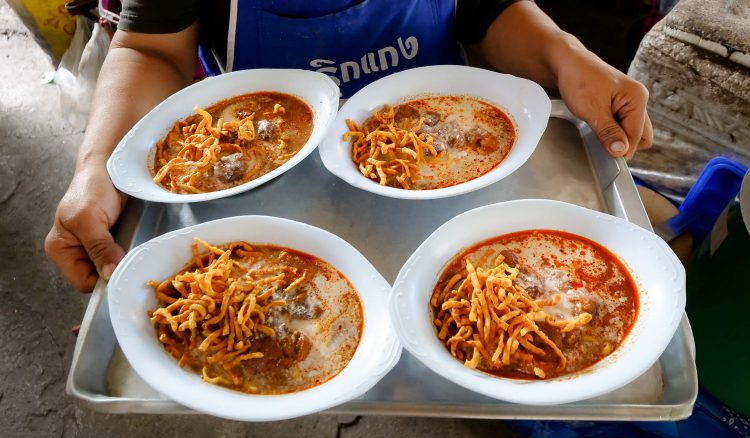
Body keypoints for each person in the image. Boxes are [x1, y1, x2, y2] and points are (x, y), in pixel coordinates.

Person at [45, 0, 653, 292]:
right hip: (279, 210)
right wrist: (98, 165)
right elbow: (152, 49)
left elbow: (489, 11)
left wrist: (562, 54)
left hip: (449, 168)